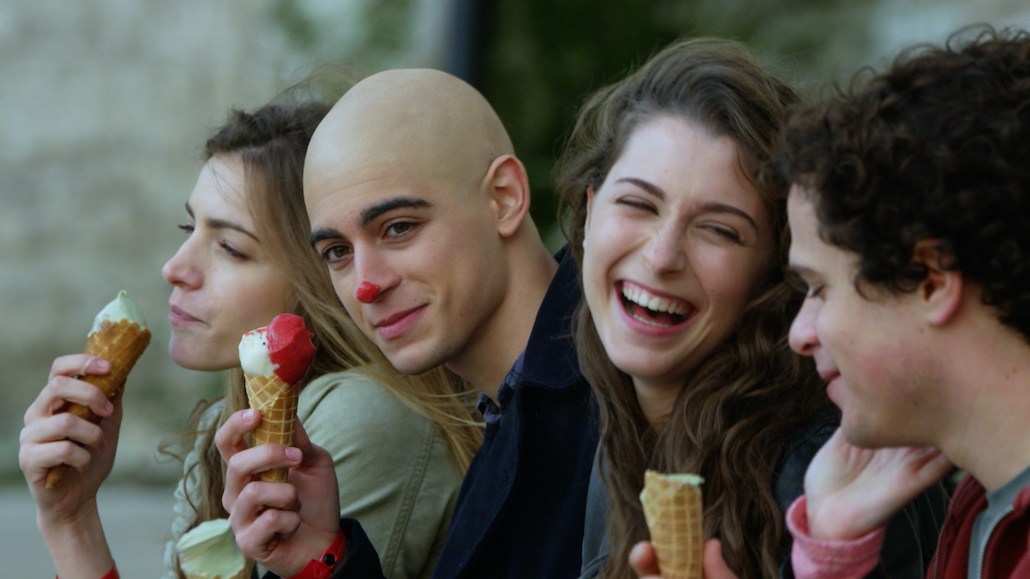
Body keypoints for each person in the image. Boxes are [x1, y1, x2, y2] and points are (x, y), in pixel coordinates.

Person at [19, 99, 482, 579]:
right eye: (189, 227)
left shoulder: (360, 415)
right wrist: (70, 521)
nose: (174, 268)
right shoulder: (226, 427)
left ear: (320, 279)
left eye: (230, 247)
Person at [555, 39, 949, 579]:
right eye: (638, 204)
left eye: (719, 230)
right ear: (590, 207)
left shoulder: (826, 469)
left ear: (777, 272)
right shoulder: (620, 425)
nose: (662, 255)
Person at [215, 69, 598, 579]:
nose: (365, 285)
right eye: (337, 252)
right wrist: (322, 560)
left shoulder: (627, 388)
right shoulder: (511, 407)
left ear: (504, 198)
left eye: (398, 228)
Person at [769, 26, 1030, 579]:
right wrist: (833, 549)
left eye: (820, 288)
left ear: (931, 280)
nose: (800, 334)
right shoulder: (980, 500)